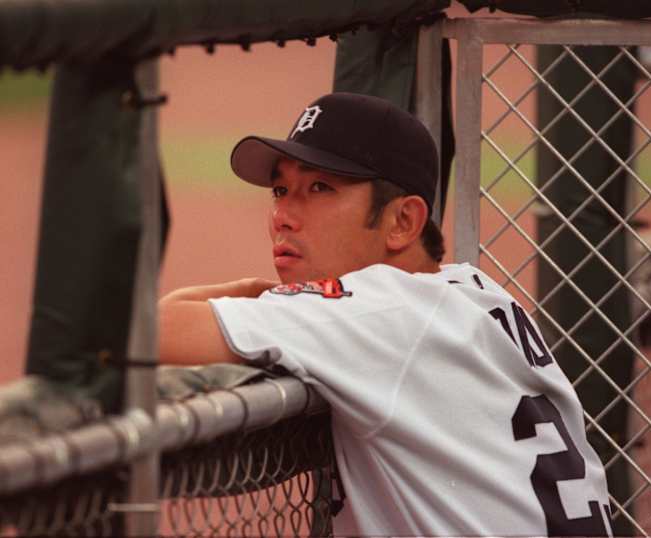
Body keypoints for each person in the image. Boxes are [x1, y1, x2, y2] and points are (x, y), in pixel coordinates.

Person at [159, 92, 614, 537]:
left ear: (402, 222)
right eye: (281, 190)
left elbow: (151, 332)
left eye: (320, 187)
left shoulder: (381, 307)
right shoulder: (471, 290)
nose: (282, 215)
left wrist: (249, 292)